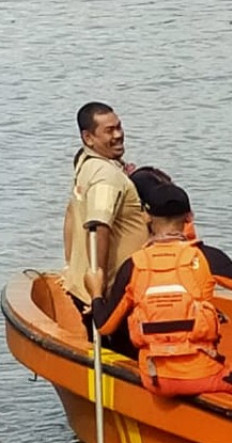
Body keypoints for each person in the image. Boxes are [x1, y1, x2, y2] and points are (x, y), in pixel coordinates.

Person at [85, 183, 232, 408]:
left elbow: (104, 325)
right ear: (189, 217)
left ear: (146, 216)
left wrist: (96, 290)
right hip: (202, 374)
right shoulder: (207, 257)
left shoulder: (133, 265)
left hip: (155, 377)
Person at [62, 102, 149, 330]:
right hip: (112, 294)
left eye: (119, 127)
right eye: (109, 131)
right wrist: (97, 291)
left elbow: (71, 214)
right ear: (88, 137)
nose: (118, 135)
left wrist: (71, 266)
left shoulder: (84, 163)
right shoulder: (106, 176)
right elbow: (99, 227)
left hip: (84, 286)